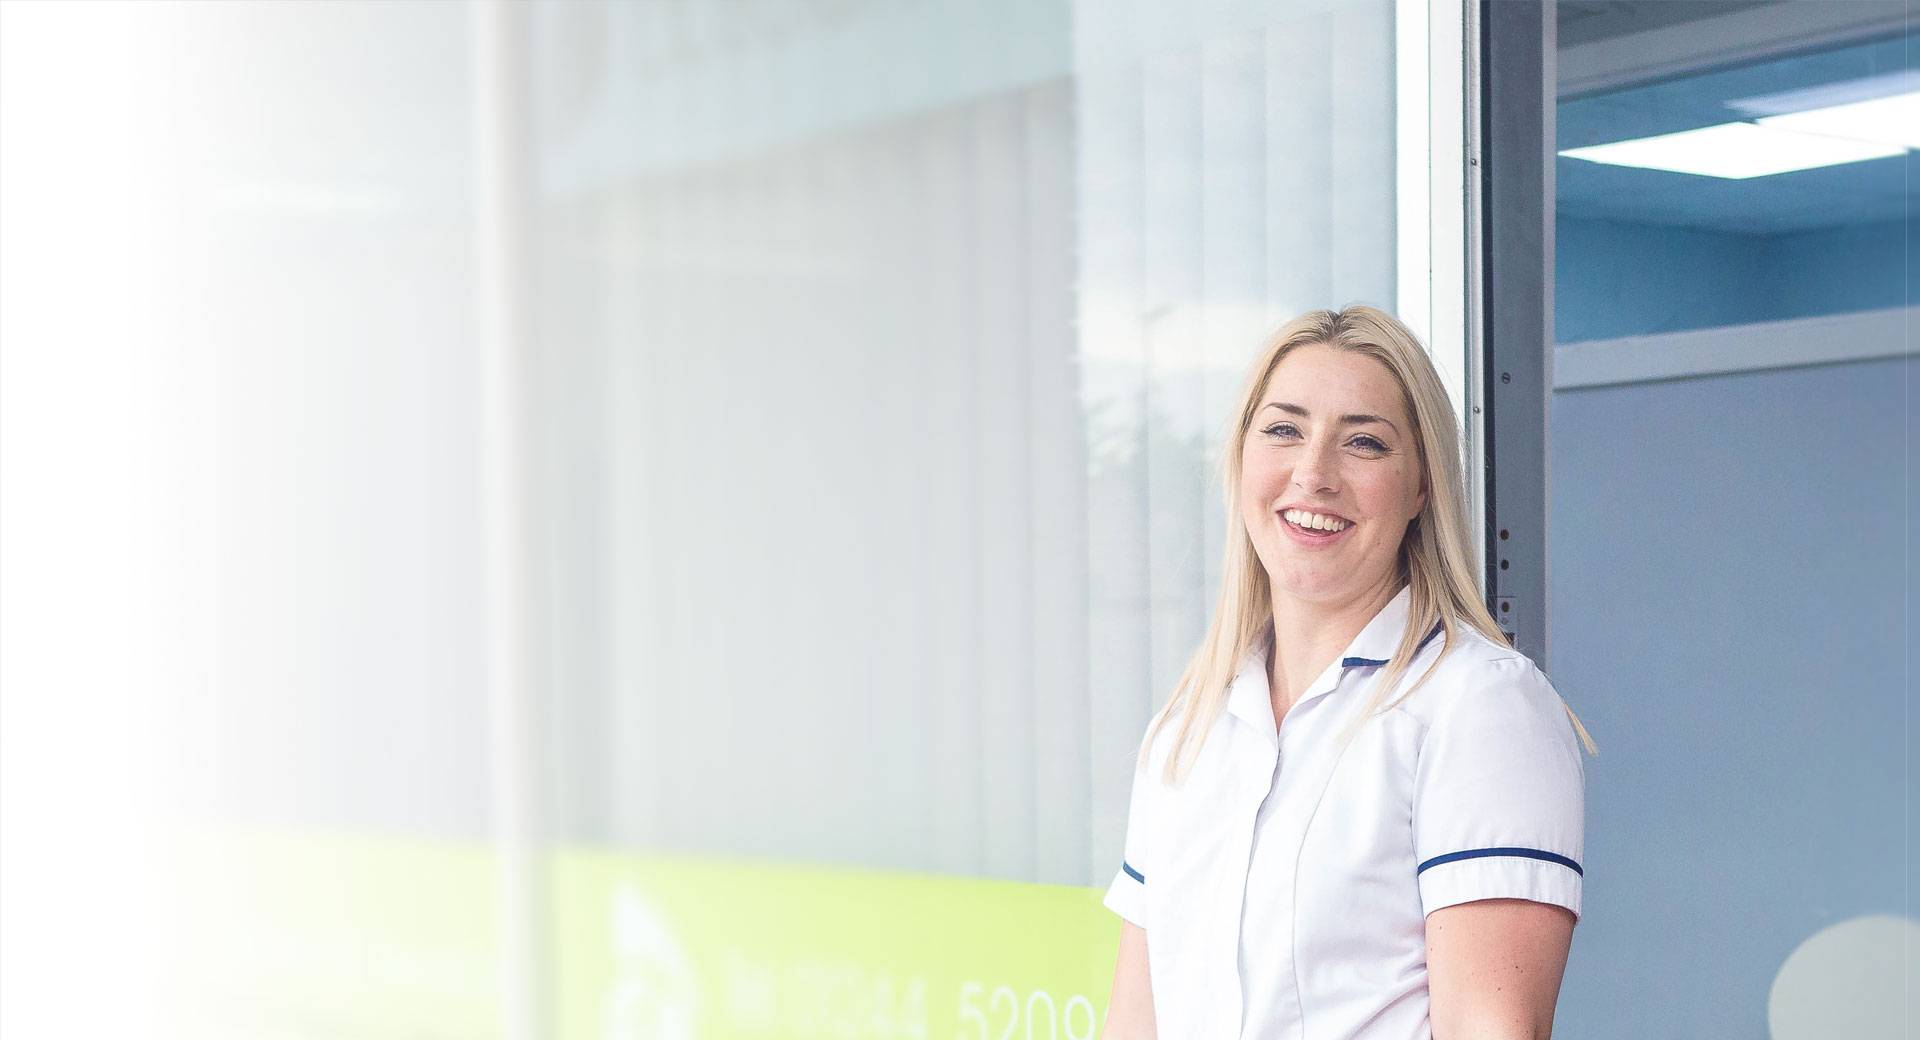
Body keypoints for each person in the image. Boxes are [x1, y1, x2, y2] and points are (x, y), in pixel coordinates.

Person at [1100, 305, 1597, 1040]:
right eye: (1283, 429)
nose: (1313, 473)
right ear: (1239, 461)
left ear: (1421, 487)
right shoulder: (1188, 729)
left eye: (1363, 442)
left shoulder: (1477, 705)